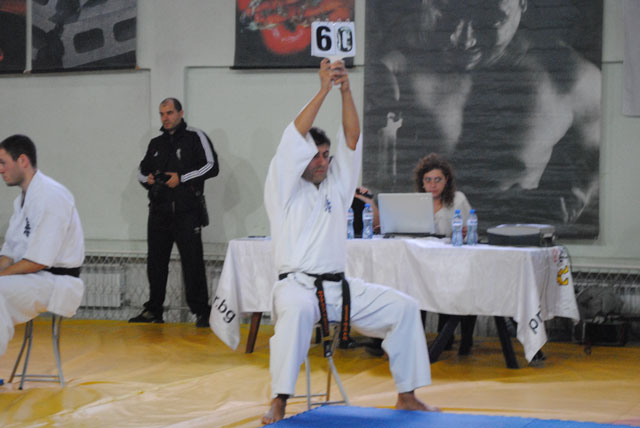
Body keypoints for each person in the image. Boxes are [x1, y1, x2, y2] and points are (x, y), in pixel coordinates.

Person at [262, 58, 439, 425]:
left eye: (326, 156)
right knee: (296, 314)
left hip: (338, 287)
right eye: (315, 156)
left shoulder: (337, 187)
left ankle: (407, 396)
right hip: (296, 287)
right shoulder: (283, 187)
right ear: (299, 159)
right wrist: (323, 90)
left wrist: (345, 89)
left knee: (404, 308)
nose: (323, 162)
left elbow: (352, 139)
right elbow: (294, 134)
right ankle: (279, 401)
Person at [365, 0, 601, 238]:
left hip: (504, 245)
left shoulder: (570, 78)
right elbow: (375, 180)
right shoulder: (397, 70)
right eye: (449, 13)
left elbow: (594, 168)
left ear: (522, 3)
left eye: (490, 19)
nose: (461, 40)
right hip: (422, 245)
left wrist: (560, 209)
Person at [130, 98, 219, 327]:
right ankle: (154, 310)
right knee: (156, 263)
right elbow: (141, 172)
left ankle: (202, 312)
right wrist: (149, 179)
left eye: (169, 113)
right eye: (162, 114)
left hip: (187, 212)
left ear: (180, 113)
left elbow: (211, 166)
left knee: (193, 262)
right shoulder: (156, 143)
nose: (165, 118)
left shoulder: (195, 137)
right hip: (158, 212)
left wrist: (182, 178)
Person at [0, 135, 84, 358]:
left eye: (3, 162)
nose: (0, 169)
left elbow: (37, 261)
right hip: (31, 278)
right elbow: (8, 255)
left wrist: (2, 275)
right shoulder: (22, 201)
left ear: (22, 160)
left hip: (55, 281)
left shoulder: (51, 195)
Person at [413, 153, 476, 355]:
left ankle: (450, 338)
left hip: (452, 263)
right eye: (428, 180)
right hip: (423, 262)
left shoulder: (458, 200)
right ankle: (415, 338)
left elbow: (470, 230)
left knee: (460, 285)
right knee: (412, 284)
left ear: (446, 180)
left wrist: (466, 232)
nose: (433, 185)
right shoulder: (414, 202)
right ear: (422, 182)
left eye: (438, 179)